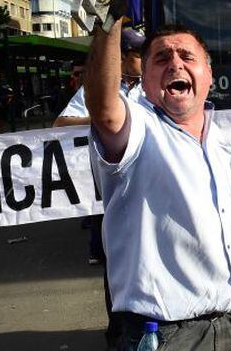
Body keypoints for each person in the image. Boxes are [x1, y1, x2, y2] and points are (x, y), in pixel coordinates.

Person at [87, 19, 231, 351]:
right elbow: (105, 111)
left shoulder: (217, 139)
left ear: (207, 74)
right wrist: (109, 18)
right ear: (144, 81)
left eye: (187, 57)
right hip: (164, 336)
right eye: (161, 58)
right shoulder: (138, 128)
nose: (175, 63)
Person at [54, 29, 143, 351]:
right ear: (119, 58)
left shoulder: (155, 86)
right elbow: (61, 124)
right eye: (136, 55)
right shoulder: (98, 90)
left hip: (150, 189)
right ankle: (118, 333)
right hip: (112, 191)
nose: (143, 61)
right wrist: (105, 121)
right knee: (118, 262)